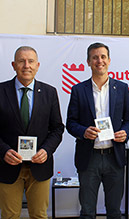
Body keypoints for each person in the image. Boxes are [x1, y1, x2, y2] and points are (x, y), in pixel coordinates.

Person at [66, 42, 129, 219]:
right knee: (87, 211)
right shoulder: (78, 90)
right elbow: (71, 122)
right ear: (88, 62)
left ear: (109, 60)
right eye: (95, 57)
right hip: (89, 158)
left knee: (114, 211)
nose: (99, 61)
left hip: (115, 156)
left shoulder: (122, 88)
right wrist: (83, 131)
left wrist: (125, 133)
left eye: (103, 57)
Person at [0, 46, 64, 218]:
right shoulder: (1, 91)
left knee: (39, 215)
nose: (26, 65)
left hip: (40, 166)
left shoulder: (50, 93)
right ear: (13, 65)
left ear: (38, 65)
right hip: (8, 166)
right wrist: (4, 151)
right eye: (21, 61)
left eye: (31, 61)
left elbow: (57, 128)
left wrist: (46, 150)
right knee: (9, 215)